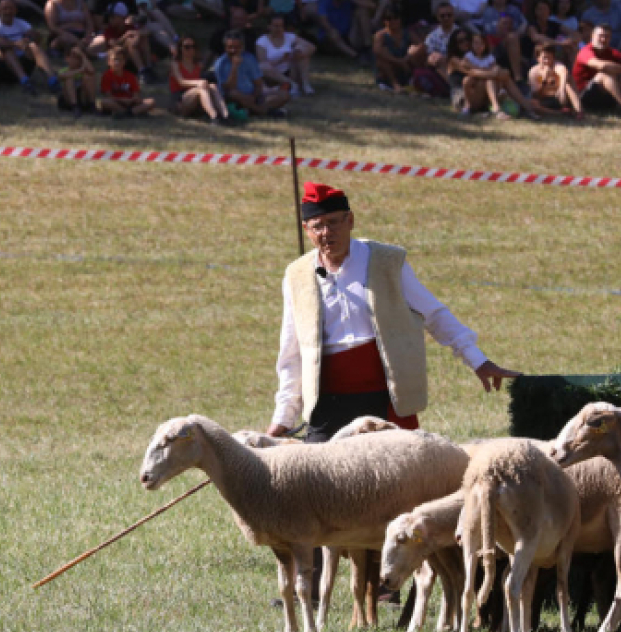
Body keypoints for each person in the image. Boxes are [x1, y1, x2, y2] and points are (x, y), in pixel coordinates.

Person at [266, 181, 521, 444]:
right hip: (326, 407)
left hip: (386, 400)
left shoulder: (387, 262)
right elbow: (292, 353)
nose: (326, 232)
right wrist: (283, 418)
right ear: (306, 230)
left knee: (398, 478)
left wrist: (477, 360)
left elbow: (434, 314)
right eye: (317, 226)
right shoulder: (296, 276)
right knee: (318, 481)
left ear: (350, 220)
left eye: (334, 222)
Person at [572, 24, 621, 119]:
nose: (603, 39)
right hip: (585, 97)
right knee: (604, 74)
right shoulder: (585, 51)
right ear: (592, 36)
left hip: (607, 96)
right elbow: (602, 66)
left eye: (607, 36)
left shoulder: (611, 52)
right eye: (600, 36)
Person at [453, 30, 535, 119]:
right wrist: (491, 73)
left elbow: (496, 69)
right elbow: (472, 71)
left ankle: (524, 107)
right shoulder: (467, 57)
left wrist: (495, 72)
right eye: (475, 43)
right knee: (471, 79)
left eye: (481, 43)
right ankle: (495, 108)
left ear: (485, 45)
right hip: (474, 95)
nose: (478, 46)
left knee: (498, 77)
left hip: (488, 91)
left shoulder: (489, 58)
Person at [214, 29, 290, 116]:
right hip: (233, 98)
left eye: (237, 47)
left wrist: (253, 96)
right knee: (234, 94)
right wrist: (234, 67)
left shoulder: (250, 58)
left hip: (252, 96)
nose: (233, 50)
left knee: (284, 95)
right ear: (225, 47)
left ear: (242, 47)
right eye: (230, 47)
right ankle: (264, 111)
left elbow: (258, 84)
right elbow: (227, 89)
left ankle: (250, 109)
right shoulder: (221, 63)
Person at [0, 0, 55, 94]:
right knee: (6, 50)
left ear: (15, 11)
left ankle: (52, 79)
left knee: (33, 46)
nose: (8, 12)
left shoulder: (21, 23)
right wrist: (15, 43)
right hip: (1, 67)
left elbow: (36, 36)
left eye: (10, 9)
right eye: (4, 9)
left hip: (23, 62)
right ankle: (25, 81)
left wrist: (30, 38)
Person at [168, 36, 229, 122]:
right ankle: (214, 117)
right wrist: (198, 83)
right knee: (200, 89)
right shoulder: (175, 64)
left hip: (196, 100)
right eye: (187, 47)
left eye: (193, 47)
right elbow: (181, 81)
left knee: (212, 86)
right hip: (180, 100)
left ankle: (225, 115)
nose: (190, 50)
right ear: (180, 48)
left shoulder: (198, 65)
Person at [256, 13, 314, 95]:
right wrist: (281, 60)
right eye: (276, 26)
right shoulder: (262, 41)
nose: (279, 29)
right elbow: (262, 63)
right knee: (262, 67)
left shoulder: (290, 37)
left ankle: (306, 85)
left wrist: (298, 51)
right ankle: (291, 84)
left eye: (281, 26)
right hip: (274, 74)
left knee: (302, 52)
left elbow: (311, 47)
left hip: (291, 71)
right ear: (269, 26)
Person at [527, 42, 582, 118]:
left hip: (559, 97)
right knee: (533, 104)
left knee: (568, 84)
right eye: (544, 58)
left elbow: (563, 72)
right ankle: (560, 113)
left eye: (550, 58)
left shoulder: (557, 66)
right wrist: (544, 80)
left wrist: (562, 89)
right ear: (538, 58)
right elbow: (535, 94)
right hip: (544, 100)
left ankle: (578, 111)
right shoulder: (533, 72)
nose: (547, 61)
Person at [99, 46, 153, 116]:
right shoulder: (106, 76)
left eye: (120, 60)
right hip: (116, 102)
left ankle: (126, 113)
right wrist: (122, 100)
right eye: (114, 60)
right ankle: (131, 112)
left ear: (124, 62)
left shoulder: (131, 76)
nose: (117, 62)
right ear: (109, 62)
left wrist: (133, 100)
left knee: (151, 101)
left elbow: (136, 95)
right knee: (104, 102)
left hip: (130, 103)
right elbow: (108, 96)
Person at [372, 9, 416, 92]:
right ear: (384, 21)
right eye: (389, 18)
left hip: (405, 68)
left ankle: (413, 79)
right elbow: (377, 51)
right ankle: (394, 84)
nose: (392, 21)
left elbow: (422, 45)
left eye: (395, 18)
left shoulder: (408, 33)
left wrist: (409, 55)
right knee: (382, 57)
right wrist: (399, 61)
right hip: (388, 71)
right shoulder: (380, 35)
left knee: (415, 49)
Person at [56, 43, 94, 117]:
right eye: (73, 57)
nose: (76, 60)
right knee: (69, 79)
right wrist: (80, 70)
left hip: (82, 97)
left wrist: (82, 55)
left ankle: (92, 105)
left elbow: (92, 71)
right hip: (67, 99)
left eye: (78, 58)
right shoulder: (63, 70)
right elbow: (62, 76)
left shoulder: (84, 70)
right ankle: (75, 106)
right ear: (67, 58)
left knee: (88, 77)